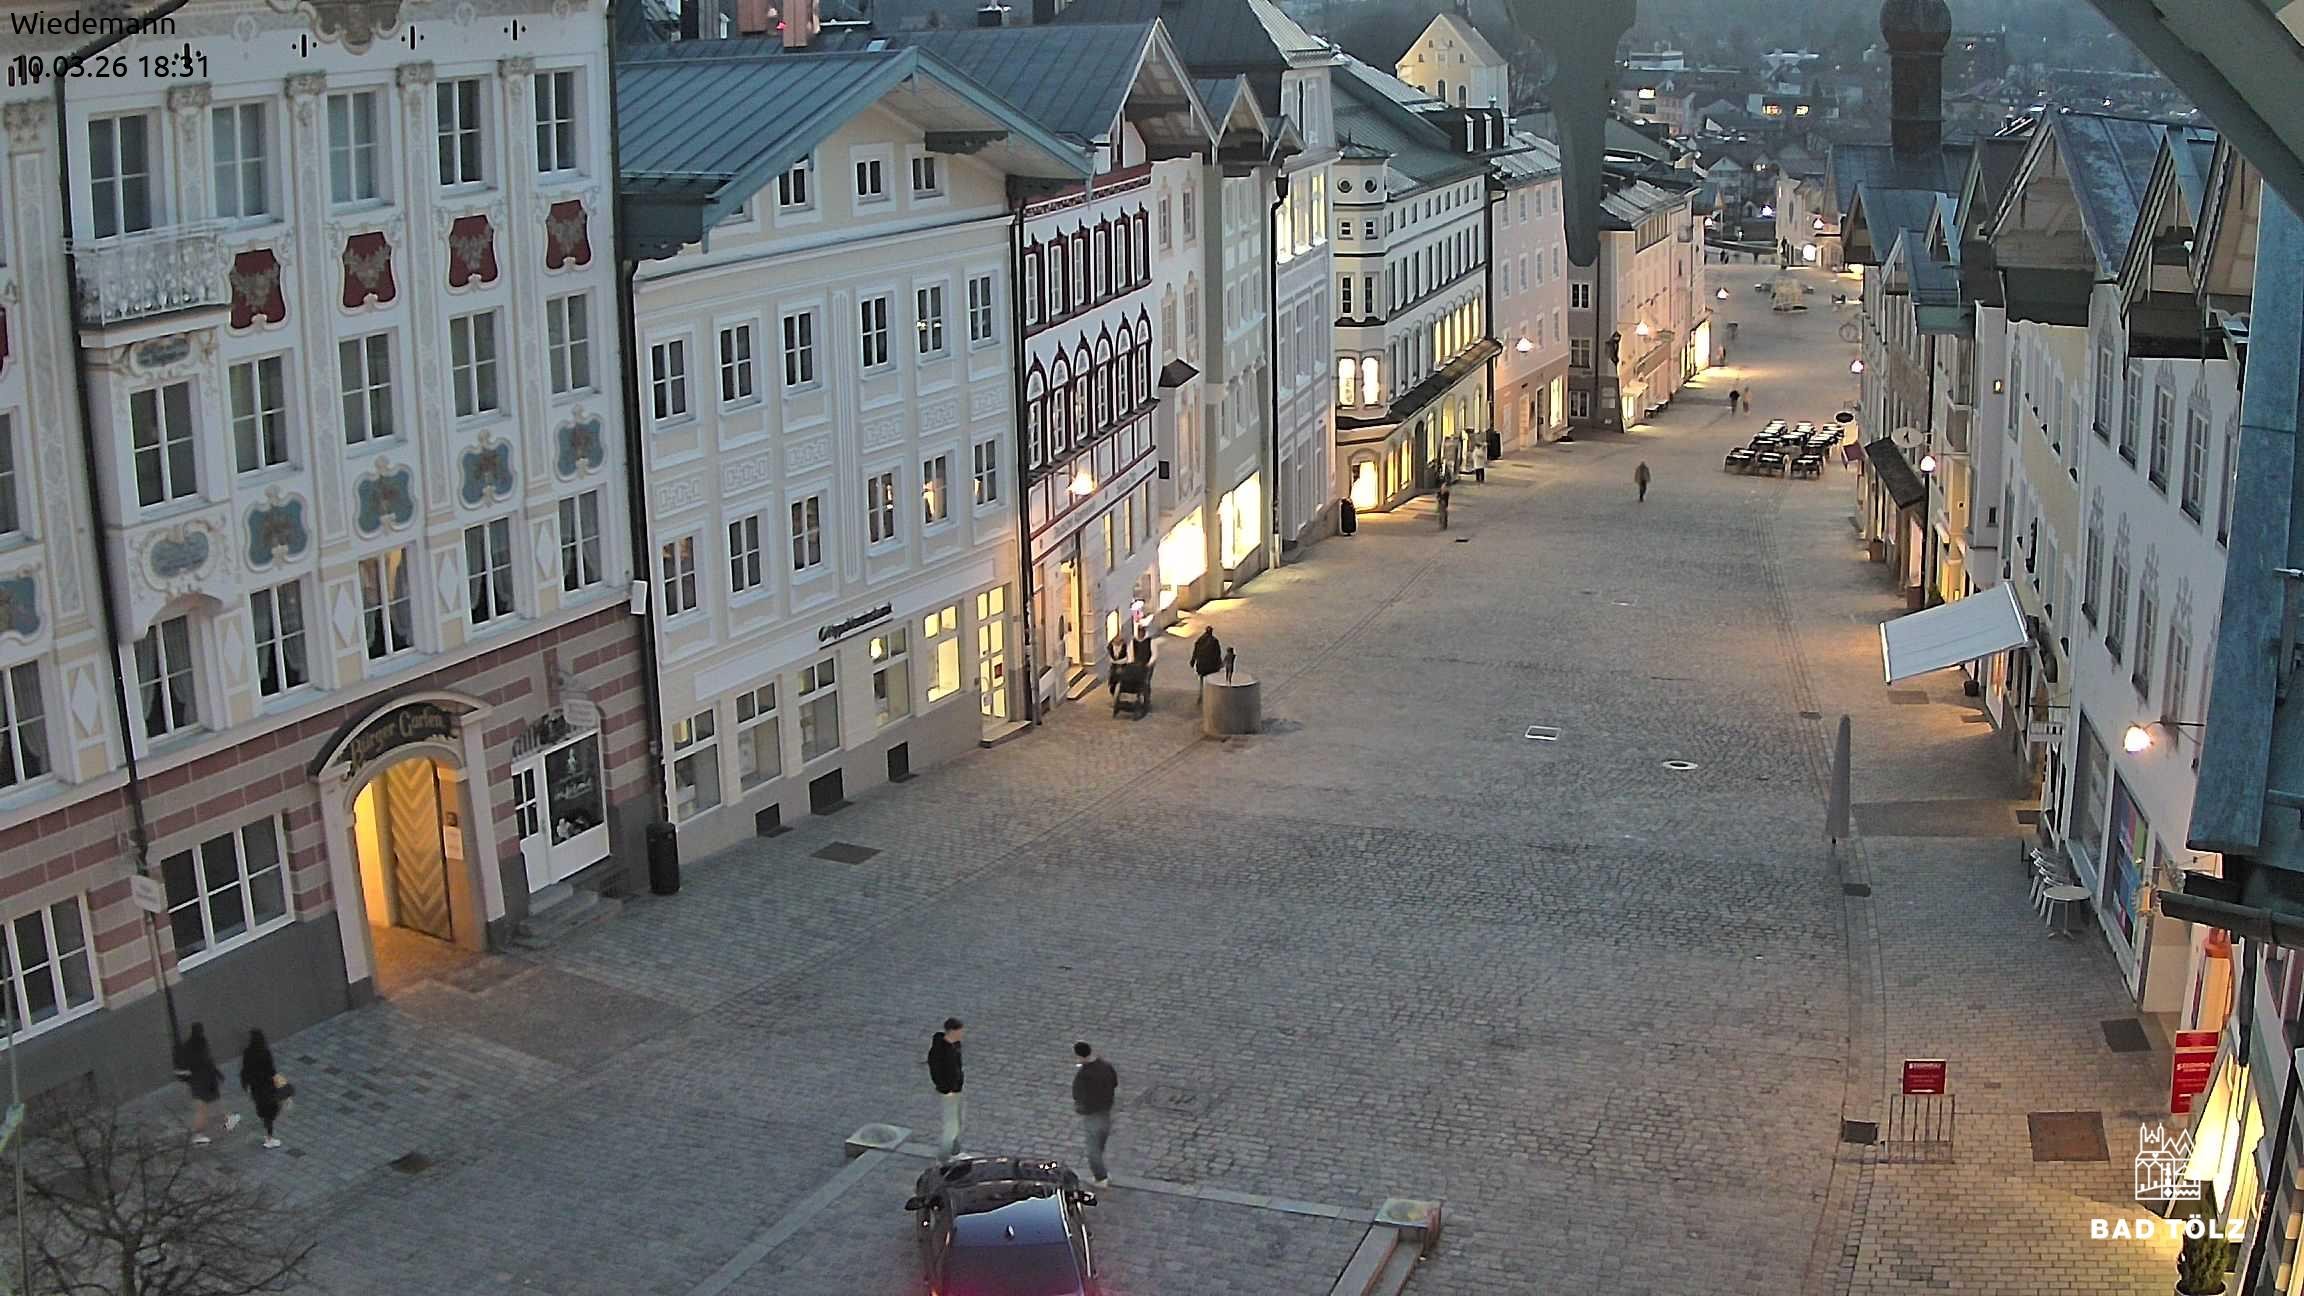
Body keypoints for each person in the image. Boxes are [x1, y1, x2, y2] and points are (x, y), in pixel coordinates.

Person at [175, 1023, 236, 1145]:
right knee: (206, 1107)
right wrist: (218, 1074)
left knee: (205, 1107)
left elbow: (184, 1066)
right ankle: (200, 1134)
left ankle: (227, 1120)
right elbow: (208, 1061)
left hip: (195, 1081)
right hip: (207, 1080)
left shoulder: (186, 1046)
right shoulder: (202, 1043)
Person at [1071, 1042, 1118, 1187]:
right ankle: (1103, 1171)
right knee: (1101, 1140)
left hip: (1092, 1113)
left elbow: (1077, 1094)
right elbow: (1115, 1083)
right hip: (1106, 1109)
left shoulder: (1084, 1075)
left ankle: (1101, 1177)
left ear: (1079, 1056)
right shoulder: (1106, 1066)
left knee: (1093, 1149)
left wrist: (1080, 1107)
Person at [240, 1029, 286, 1149]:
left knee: (262, 1106)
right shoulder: (265, 1053)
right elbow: (271, 1071)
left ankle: (265, 1121)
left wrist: (245, 1084)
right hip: (267, 1086)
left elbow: (245, 1070)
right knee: (272, 1109)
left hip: (256, 1087)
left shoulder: (247, 1052)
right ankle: (269, 1137)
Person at [927, 1018, 966, 1159]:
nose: (962, 1034)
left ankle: (955, 1151)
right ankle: (943, 1158)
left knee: (958, 1120)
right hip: (948, 1091)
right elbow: (935, 1070)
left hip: (957, 1088)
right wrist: (946, 1088)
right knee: (951, 1126)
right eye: (960, 1031)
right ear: (952, 1031)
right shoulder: (940, 1050)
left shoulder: (955, 1044)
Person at [1190, 627, 1223, 692]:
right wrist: (1219, 663)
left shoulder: (1200, 640)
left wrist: (1193, 660)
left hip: (1202, 665)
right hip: (1211, 665)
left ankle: (1202, 692)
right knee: (1211, 679)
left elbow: (1195, 651)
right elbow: (1217, 653)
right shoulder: (1214, 641)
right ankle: (1210, 694)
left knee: (1202, 679)